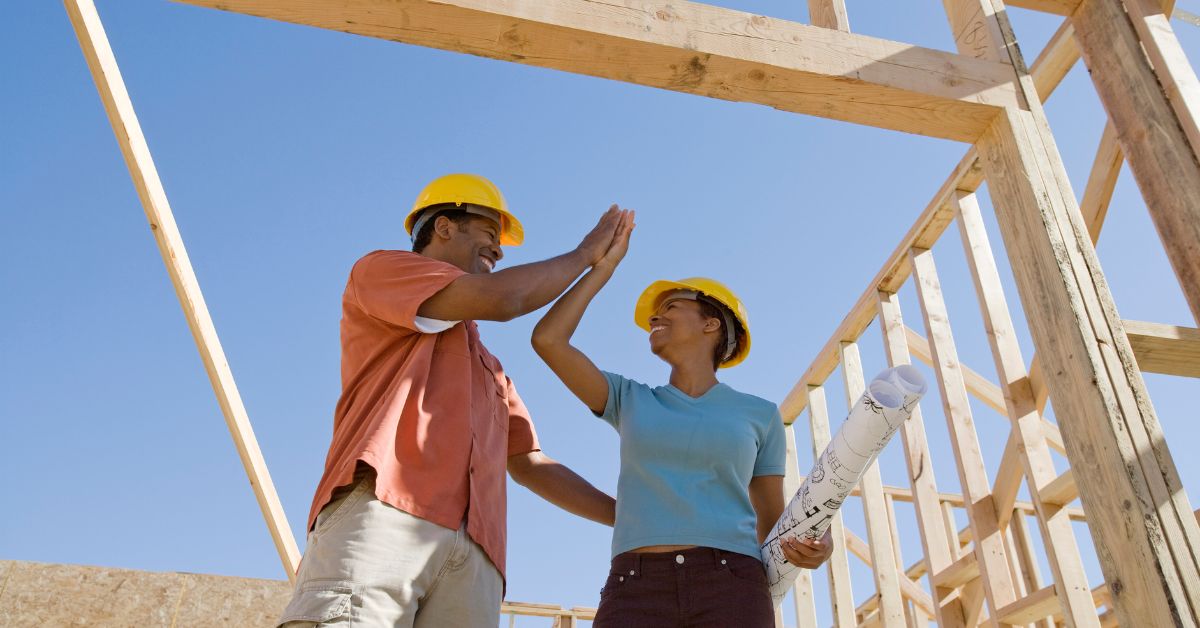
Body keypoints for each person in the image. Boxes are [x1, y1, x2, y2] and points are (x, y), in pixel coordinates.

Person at [277, 173, 624, 627]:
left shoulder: (490, 370)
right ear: (444, 226)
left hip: (477, 555)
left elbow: (530, 464)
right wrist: (584, 255)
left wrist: (632, 516)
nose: (498, 250)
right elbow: (504, 299)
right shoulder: (382, 271)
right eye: (488, 232)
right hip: (385, 513)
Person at [530, 211, 832, 627]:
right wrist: (603, 267)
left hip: (732, 585)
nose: (655, 318)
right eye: (655, 314)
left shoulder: (760, 416)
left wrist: (814, 542)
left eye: (670, 307)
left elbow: (774, 523)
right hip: (634, 585)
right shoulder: (628, 398)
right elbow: (548, 340)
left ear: (712, 323)